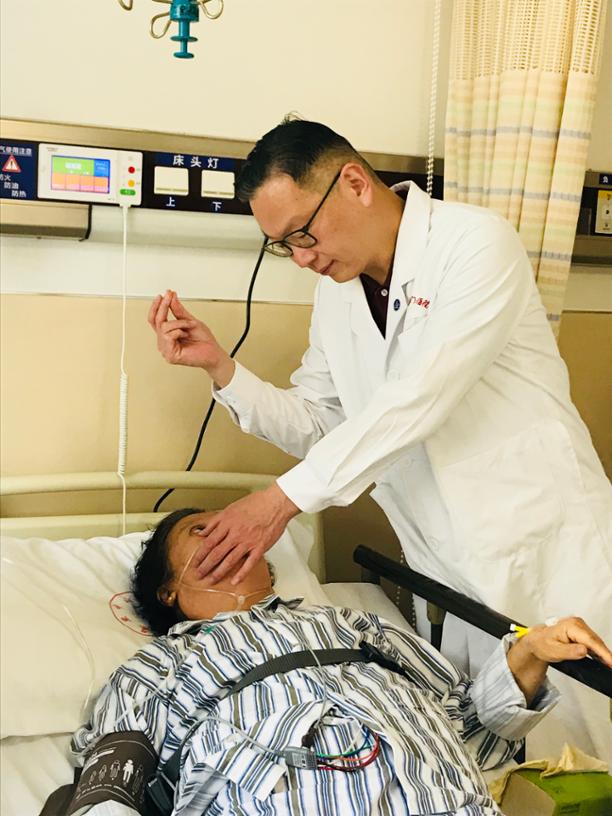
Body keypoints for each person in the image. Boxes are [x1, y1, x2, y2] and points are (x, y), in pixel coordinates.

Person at [148, 118, 612, 760]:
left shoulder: (473, 244)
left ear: (355, 184)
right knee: (505, 758)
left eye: (303, 234)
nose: (302, 258)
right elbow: (320, 422)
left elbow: (418, 399)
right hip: (449, 569)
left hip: (547, 546)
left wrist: (280, 502)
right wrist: (221, 369)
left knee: (593, 750)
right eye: (283, 246)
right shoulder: (337, 296)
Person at [68, 509, 612, 816]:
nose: (226, 534)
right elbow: (112, 787)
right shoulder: (159, 665)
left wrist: (528, 651)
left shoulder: (354, 623)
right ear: (166, 589)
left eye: (235, 527)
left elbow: (474, 731)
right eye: (202, 530)